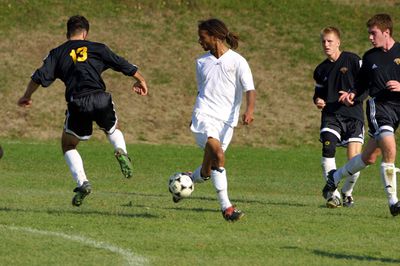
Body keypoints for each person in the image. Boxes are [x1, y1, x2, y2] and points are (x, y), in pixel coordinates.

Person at [17, 15, 149, 207]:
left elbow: (39, 77)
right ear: (85, 34)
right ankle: (121, 151)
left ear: (67, 33)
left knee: (68, 145)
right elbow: (122, 64)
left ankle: (83, 183)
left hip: (78, 102)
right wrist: (141, 79)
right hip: (100, 98)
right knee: (112, 128)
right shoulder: (98, 48)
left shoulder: (57, 53)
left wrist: (27, 95)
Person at [173, 18, 256, 222]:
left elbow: (250, 89)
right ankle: (227, 208)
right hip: (204, 115)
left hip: (226, 122)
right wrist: (194, 116)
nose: (200, 41)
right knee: (218, 154)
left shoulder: (237, 61)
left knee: (208, 169)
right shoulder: (201, 62)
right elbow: (202, 91)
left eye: (203, 37)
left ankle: (189, 179)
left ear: (216, 36)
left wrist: (249, 110)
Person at [323, 13, 400, 216]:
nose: (370, 38)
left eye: (373, 33)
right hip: (380, 108)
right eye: (369, 34)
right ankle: (394, 202)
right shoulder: (369, 57)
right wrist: (352, 94)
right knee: (390, 149)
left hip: (398, 109)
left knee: (368, 157)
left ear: (386, 32)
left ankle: (335, 176)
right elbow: (361, 84)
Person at [313, 27, 366, 208]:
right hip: (331, 116)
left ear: (338, 42)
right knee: (328, 148)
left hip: (353, 116)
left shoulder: (353, 60)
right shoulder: (320, 69)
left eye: (330, 41)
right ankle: (333, 195)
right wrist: (318, 100)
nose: (326, 45)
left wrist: (354, 96)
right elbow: (318, 93)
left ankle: (347, 192)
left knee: (355, 162)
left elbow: (366, 84)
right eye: (323, 42)